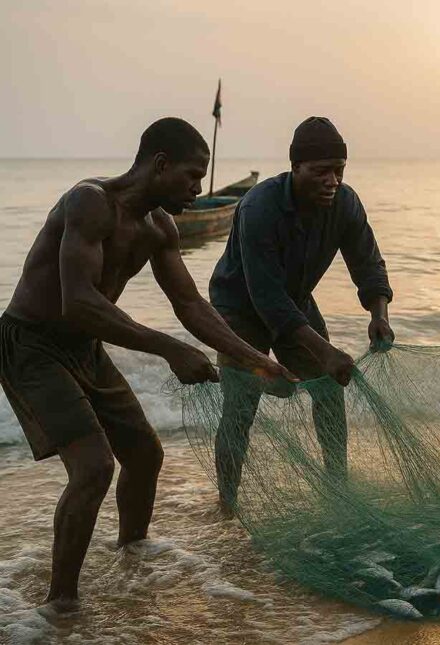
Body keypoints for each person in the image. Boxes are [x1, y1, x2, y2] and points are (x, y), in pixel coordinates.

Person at [0, 117, 289, 610]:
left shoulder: (160, 227)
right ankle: (59, 606)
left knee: (145, 455)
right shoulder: (90, 203)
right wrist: (170, 349)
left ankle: (133, 559)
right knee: (93, 469)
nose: (198, 190)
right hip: (31, 345)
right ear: (160, 164)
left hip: (85, 347)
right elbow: (80, 302)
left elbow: (191, 305)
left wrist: (256, 361)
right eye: (192, 176)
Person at [209, 116, 394, 507]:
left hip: (294, 298)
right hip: (240, 306)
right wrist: (325, 351)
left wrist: (379, 315)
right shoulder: (259, 206)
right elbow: (266, 297)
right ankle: (227, 502)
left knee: (328, 390)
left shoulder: (345, 203)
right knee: (240, 406)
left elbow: (369, 265)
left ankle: (337, 491)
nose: (332, 181)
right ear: (295, 168)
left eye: (339, 170)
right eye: (320, 172)